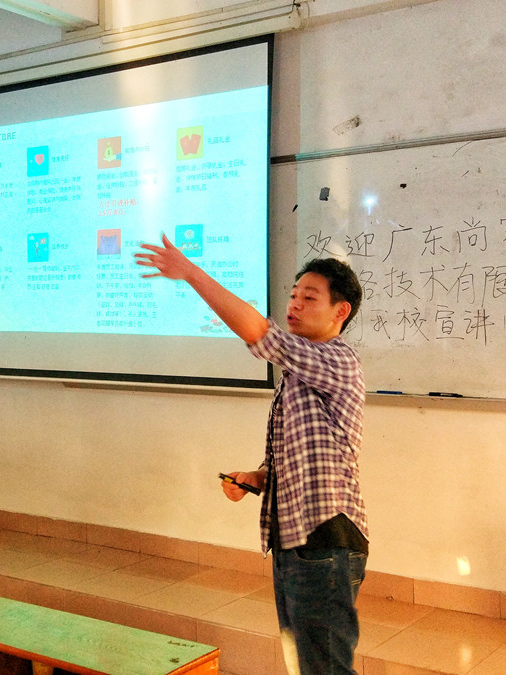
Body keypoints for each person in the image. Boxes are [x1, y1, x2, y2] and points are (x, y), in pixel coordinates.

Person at [135, 234, 368, 675]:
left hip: (324, 539)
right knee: (307, 666)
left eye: (309, 297)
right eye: (293, 295)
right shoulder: (297, 373)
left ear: (341, 312)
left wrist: (191, 274)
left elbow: (261, 333)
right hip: (296, 539)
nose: (294, 304)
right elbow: (301, 454)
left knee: (326, 669)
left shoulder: (338, 360)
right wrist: (257, 477)